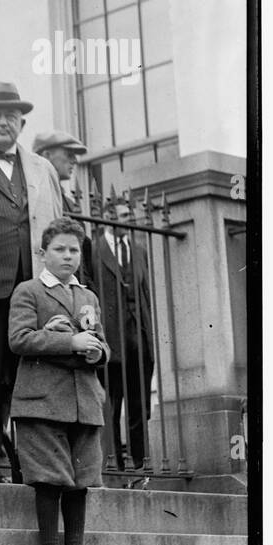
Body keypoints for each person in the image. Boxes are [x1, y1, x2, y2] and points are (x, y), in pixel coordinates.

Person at [0, 81, 65, 482]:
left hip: (34, 290)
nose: (3, 122)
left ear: (21, 123)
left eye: (10, 116)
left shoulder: (42, 168)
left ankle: (29, 465)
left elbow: (60, 230)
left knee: (32, 378)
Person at [8, 217, 109, 545]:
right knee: (50, 478)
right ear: (43, 253)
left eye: (73, 250)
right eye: (59, 250)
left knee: (80, 479)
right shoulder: (29, 291)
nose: (68, 257)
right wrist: (70, 343)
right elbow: (18, 340)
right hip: (43, 401)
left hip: (83, 401)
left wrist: (97, 351)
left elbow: (100, 340)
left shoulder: (87, 296)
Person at [89, 199, 155, 472]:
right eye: (124, 215)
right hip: (111, 339)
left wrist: (149, 335)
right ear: (107, 218)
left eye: (131, 215)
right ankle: (115, 464)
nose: (129, 220)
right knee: (111, 405)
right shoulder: (93, 250)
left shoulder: (139, 251)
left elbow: (145, 296)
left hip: (137, 336)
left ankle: (141, 464)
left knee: (140, 406)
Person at [33, 130, 88, 214]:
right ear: (47, 156)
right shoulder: (30, 197)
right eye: (69, 155)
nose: (75, 161)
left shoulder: (69, 203)